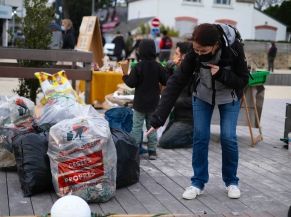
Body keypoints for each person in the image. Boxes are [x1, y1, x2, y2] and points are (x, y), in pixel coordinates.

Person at [147, 23, 249, 199]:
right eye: (196, 50)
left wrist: (222, 75)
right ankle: (197, 182)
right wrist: (158, 119)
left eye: (204, 51)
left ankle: (232, 181)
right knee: (200, 135)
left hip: (229, 96)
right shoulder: (195, 53)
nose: (199, 54)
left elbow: (243, 80)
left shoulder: (234, 48)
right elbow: (176, 82)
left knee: (228, 137)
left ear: (216, 45)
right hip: (202, 95)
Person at [120, 39, 167, 160]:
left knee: (136, 127)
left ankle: (134, 151)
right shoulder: (158, 66)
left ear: (140, 51)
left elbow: (131, 83)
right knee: (152, 127)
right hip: (154, 104)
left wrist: (125, 76)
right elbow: (166, 80)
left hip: (139, 103)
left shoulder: (137, 67)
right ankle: (152, 151)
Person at [159, 41, 193, 149]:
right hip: (177, 116)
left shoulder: (193, 73)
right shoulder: (179, 71)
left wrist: (176, 100)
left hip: (188, 119)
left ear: (184, 57)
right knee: (162, 139)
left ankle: (195, 136)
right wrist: (168, 70)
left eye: (177, 54)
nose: (174, 57)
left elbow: (196, 100)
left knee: (164, 142)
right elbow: (168, 88)